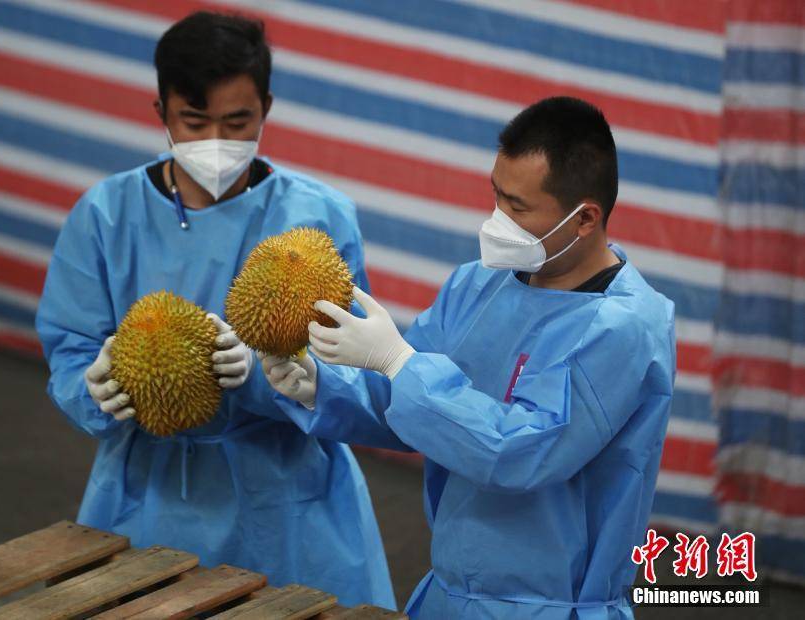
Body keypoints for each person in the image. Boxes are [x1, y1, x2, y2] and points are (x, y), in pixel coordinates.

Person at [261, 96, 676, 618]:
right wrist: (322, 384)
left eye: (518, 207)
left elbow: (519, 452)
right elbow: (416, 409)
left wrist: (397, 363)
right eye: (496, 195)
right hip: (449, 593)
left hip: (548, 606)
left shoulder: (623, 328)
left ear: (584, 218)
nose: (498, 219)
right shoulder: (478, 285)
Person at [35, 11, 394, 609]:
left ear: (267, 108)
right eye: (194, 122)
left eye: (237, 122)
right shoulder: (105, 215)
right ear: (161, 113)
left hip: (286, 504)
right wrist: (89, 388)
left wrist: (272, 375)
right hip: (150, 496)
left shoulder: (319, 218)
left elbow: (355, 369)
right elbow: (71, 347)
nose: (216, 143)